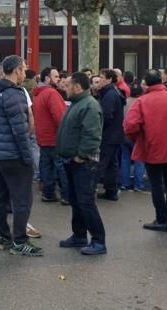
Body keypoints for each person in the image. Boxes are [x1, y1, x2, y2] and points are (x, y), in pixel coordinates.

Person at [0, 55, 40, 256]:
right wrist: (27, 157)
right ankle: (20, 241)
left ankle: (5, 238)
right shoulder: (14, 94)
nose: (25, 73)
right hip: (13, 154)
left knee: (0, 197)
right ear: (16, 71)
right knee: (22, 199)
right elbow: (19, 130)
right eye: (23, 69)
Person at [123, 70, 167, 232]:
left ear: (146, 83)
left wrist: (138, 138)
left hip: (153, 146)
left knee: (157, 184)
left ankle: (161, 218)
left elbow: (130, 125)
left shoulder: (142, 101)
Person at [56, 72, 107, 256]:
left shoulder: (89, 105)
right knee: (76, 200)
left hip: (84, 162)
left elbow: (92, 135)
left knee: (85, 201)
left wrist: (80, 155)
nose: (65, 87)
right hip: (72, 160)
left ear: (77, 87)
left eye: (68, 85)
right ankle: (79, 235)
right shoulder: (78, 103)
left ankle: (98, 240)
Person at [33, 67, 67, 204]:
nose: (59, 79)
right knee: (61, 167)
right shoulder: (52, 94)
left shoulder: (38, 94)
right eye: (56, 76)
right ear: (47, 78)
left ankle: (48, 193)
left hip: (42, 136)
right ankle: (67, 195)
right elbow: (60, 117)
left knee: (46, 166)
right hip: (55, 137)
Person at [96, 69, 125, 201]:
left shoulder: (109, 95)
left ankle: (89, 190)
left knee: (101, 163)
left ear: (108, 80)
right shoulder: (114, 92)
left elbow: (106, 115)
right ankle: (111, 190)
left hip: (108, 135)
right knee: (111, 164)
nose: (99, 80)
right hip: (115, 134)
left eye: (102, 77)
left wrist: (99, 129)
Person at [120, 84, 148, 192]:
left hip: (124, 133)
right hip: (138, 135)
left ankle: (124, 183)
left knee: (125, 159)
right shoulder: (142, 102)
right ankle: (138, 184)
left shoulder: (125, 102)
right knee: (139, 160)